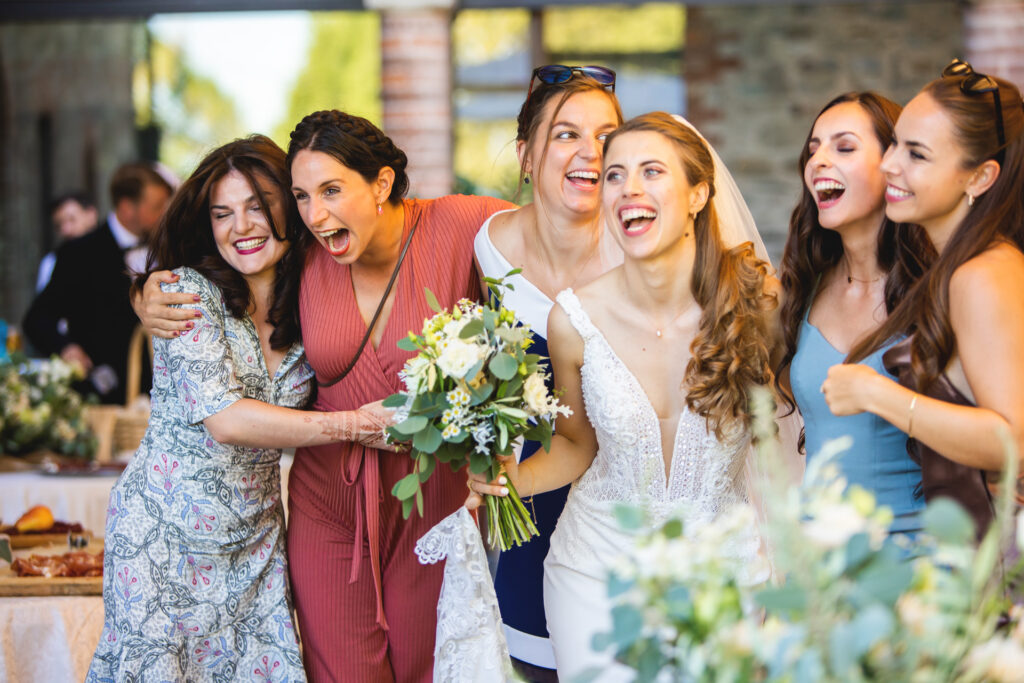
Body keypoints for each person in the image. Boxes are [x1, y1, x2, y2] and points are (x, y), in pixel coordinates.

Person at [134, 111, 513, 681]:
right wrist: (141, 293)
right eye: (303, 196)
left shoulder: (458, 226)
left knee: (427, 666)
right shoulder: (292, 262)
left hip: (426, 497)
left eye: (330, 190)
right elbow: (218, 292)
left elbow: (551, 252)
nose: (314, 212)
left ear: (381, 183)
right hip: (315, 507)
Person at [471, 112, 776, 680]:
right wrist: (506, 484)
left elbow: (790, 435)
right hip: (595, 577)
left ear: (698, 194)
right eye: (614, 175)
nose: (628, 188)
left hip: (724, 582)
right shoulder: (573, 319)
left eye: (651, 171)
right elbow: (575, 445)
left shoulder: (757, 309)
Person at [87, 136, 391, 682]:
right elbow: (225, 419)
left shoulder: (315, 299)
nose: (241, 226)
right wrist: (357, 427)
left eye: (258, 205)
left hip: (255, 547)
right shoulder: (188, 295)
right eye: (222, 213)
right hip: (163, 541)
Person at [822, 60, 1024, 538]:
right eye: (895, 143)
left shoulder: (982, 274)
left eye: (917, 154)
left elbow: (1014, 438)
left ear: (979, 177)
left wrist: (877, 393)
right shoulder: (958, 265)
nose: (889, 163)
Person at [473, 64, 623, 681]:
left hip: (628, 513)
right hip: (532, 507)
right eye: (566, 134)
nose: (591, 152)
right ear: (525, 157)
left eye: (608, 136)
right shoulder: (489, 245)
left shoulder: (645, 251)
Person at [777, 93, 935, 536]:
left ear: (894, 165)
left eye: (843, 147)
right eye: (813, 149)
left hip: (921, 564)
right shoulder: (800, 289)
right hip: (820, 562)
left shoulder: (940, 289)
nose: (819, 161)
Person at [23, 162, 173, 404]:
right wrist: (66, 348)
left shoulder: (169, 249)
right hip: (107, 400)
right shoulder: (79, 253)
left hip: (165, 397)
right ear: (126, 208)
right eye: (157, 206)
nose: (165, 212)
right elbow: (38, 318)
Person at [36, 191, 99, 292]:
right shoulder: (51, 263)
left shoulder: (115, 250)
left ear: (91, 215)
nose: (66, 230)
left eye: (72, 219)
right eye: (58, 225)